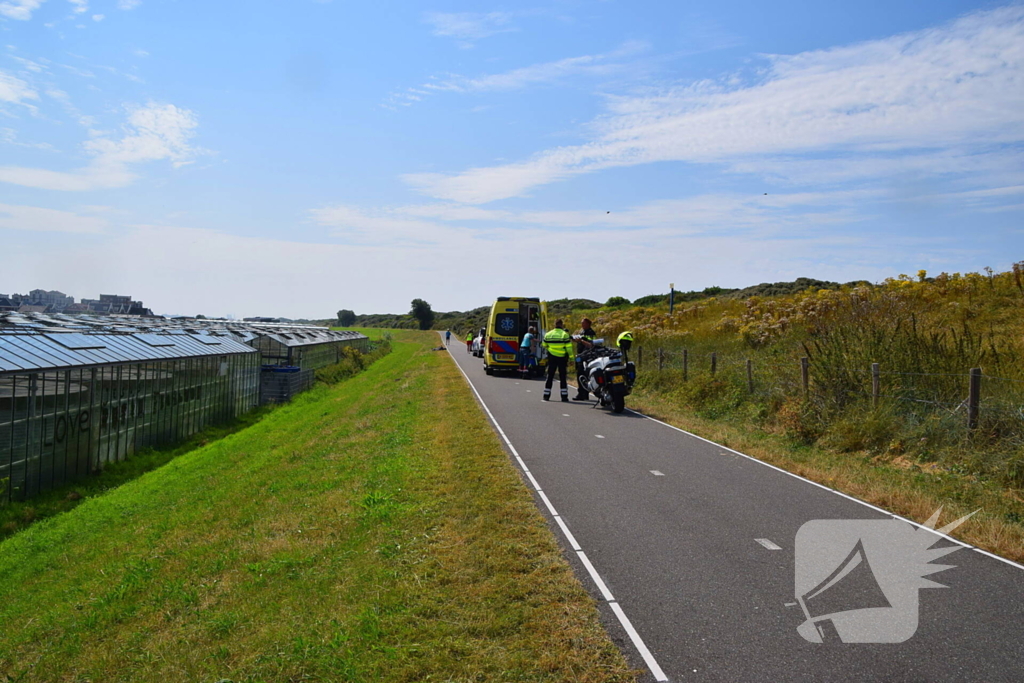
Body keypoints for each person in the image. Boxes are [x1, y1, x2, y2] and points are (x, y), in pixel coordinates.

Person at [541, 319, 573, 402]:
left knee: (550, 376)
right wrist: (572, 358)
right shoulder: (564, 334)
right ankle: (564, 396)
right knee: (562, 377)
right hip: (562, 358)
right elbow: (569, 348)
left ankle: (546, 395)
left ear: (554, 324)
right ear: (562, 325)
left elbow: (544, 345)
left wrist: (551, 349)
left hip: (552, 357)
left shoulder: (548, 334)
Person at [573, 318, 598, 400]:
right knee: (580, 375)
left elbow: (591, 345)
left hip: (587, 356)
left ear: (588, 324)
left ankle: (583, 394)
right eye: (581, 323)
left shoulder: (591, 332)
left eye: (583, 323)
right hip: (581, 355)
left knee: (584, 375)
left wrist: (581, 340)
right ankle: (582, 394)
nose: (582, 325)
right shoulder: (582, 331)